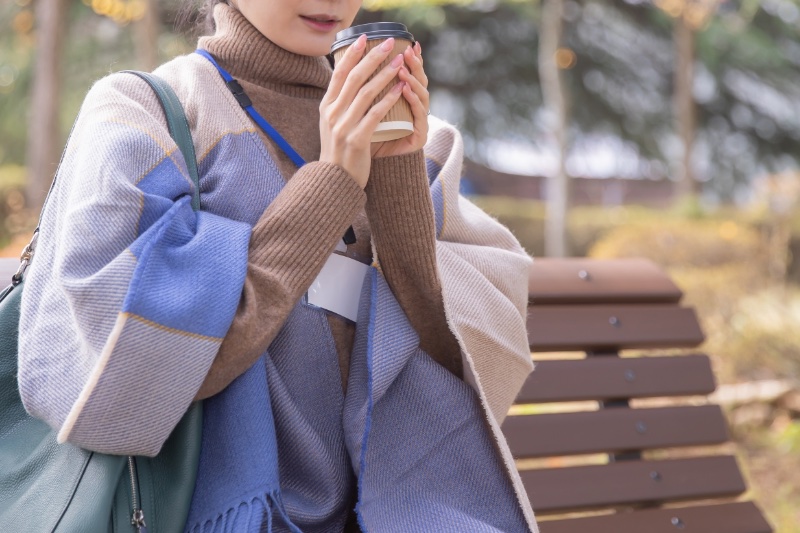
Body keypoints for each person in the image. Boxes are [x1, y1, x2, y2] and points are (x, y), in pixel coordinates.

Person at [17, 0, 538, 531]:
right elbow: (126, 372)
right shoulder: (145, 112)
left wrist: (398, 175)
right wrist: (332, 180)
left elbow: (465, 374)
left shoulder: (423, 141)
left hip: (405, 511)